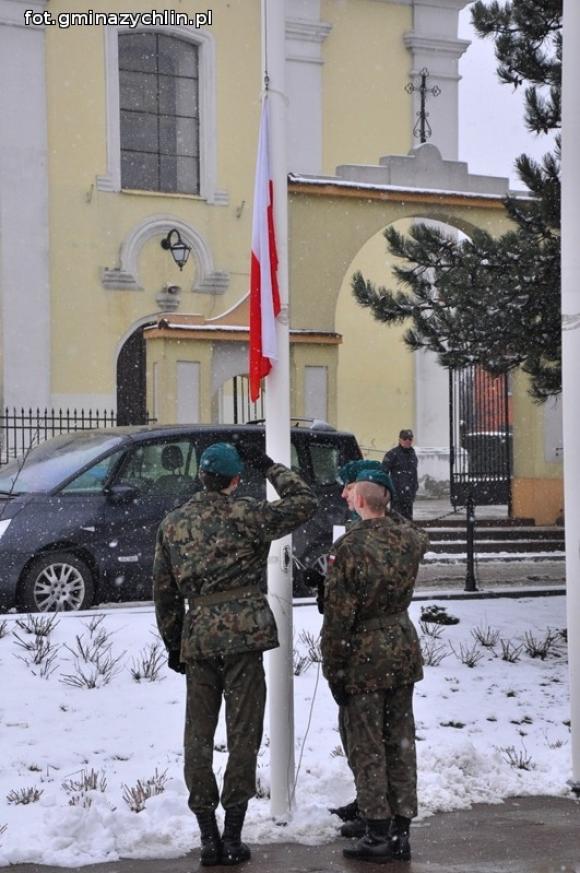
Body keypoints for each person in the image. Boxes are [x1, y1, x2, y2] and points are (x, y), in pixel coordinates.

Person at [153, 441, 317, 867]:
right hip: (244, 635)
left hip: (200, 638)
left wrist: (174, 643)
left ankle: (207, 834)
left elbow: (165, 595)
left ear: (201, 477)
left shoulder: (173, 524)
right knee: (244, 733)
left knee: (198, 735)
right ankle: (233, 834)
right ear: (234, 480)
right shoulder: (248, 514)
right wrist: (270, 467)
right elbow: (305, 502)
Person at [321, 467, 429, 863]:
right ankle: (401, 831)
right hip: (400, 647)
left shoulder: (350, 547)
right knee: (400, 742)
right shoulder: (410, 539)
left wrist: (332, 667)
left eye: (354, 495)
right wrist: (384, 499)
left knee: (367, 745)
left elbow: (337, 618)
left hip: (364, 653)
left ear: (360, 501)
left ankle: (377, 831)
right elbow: (412, 530)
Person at [382, 429, 418, 520]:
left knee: (408, 520)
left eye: (410, 439)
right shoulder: (392, 454)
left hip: (409, 494)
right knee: (396, 519)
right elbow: (383, 471)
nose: (408, 441)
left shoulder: (412, 453)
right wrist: (386, 489)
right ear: (400, 440)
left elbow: (414, 472)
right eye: (405, 438)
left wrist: (415, 487)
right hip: (396, 494)